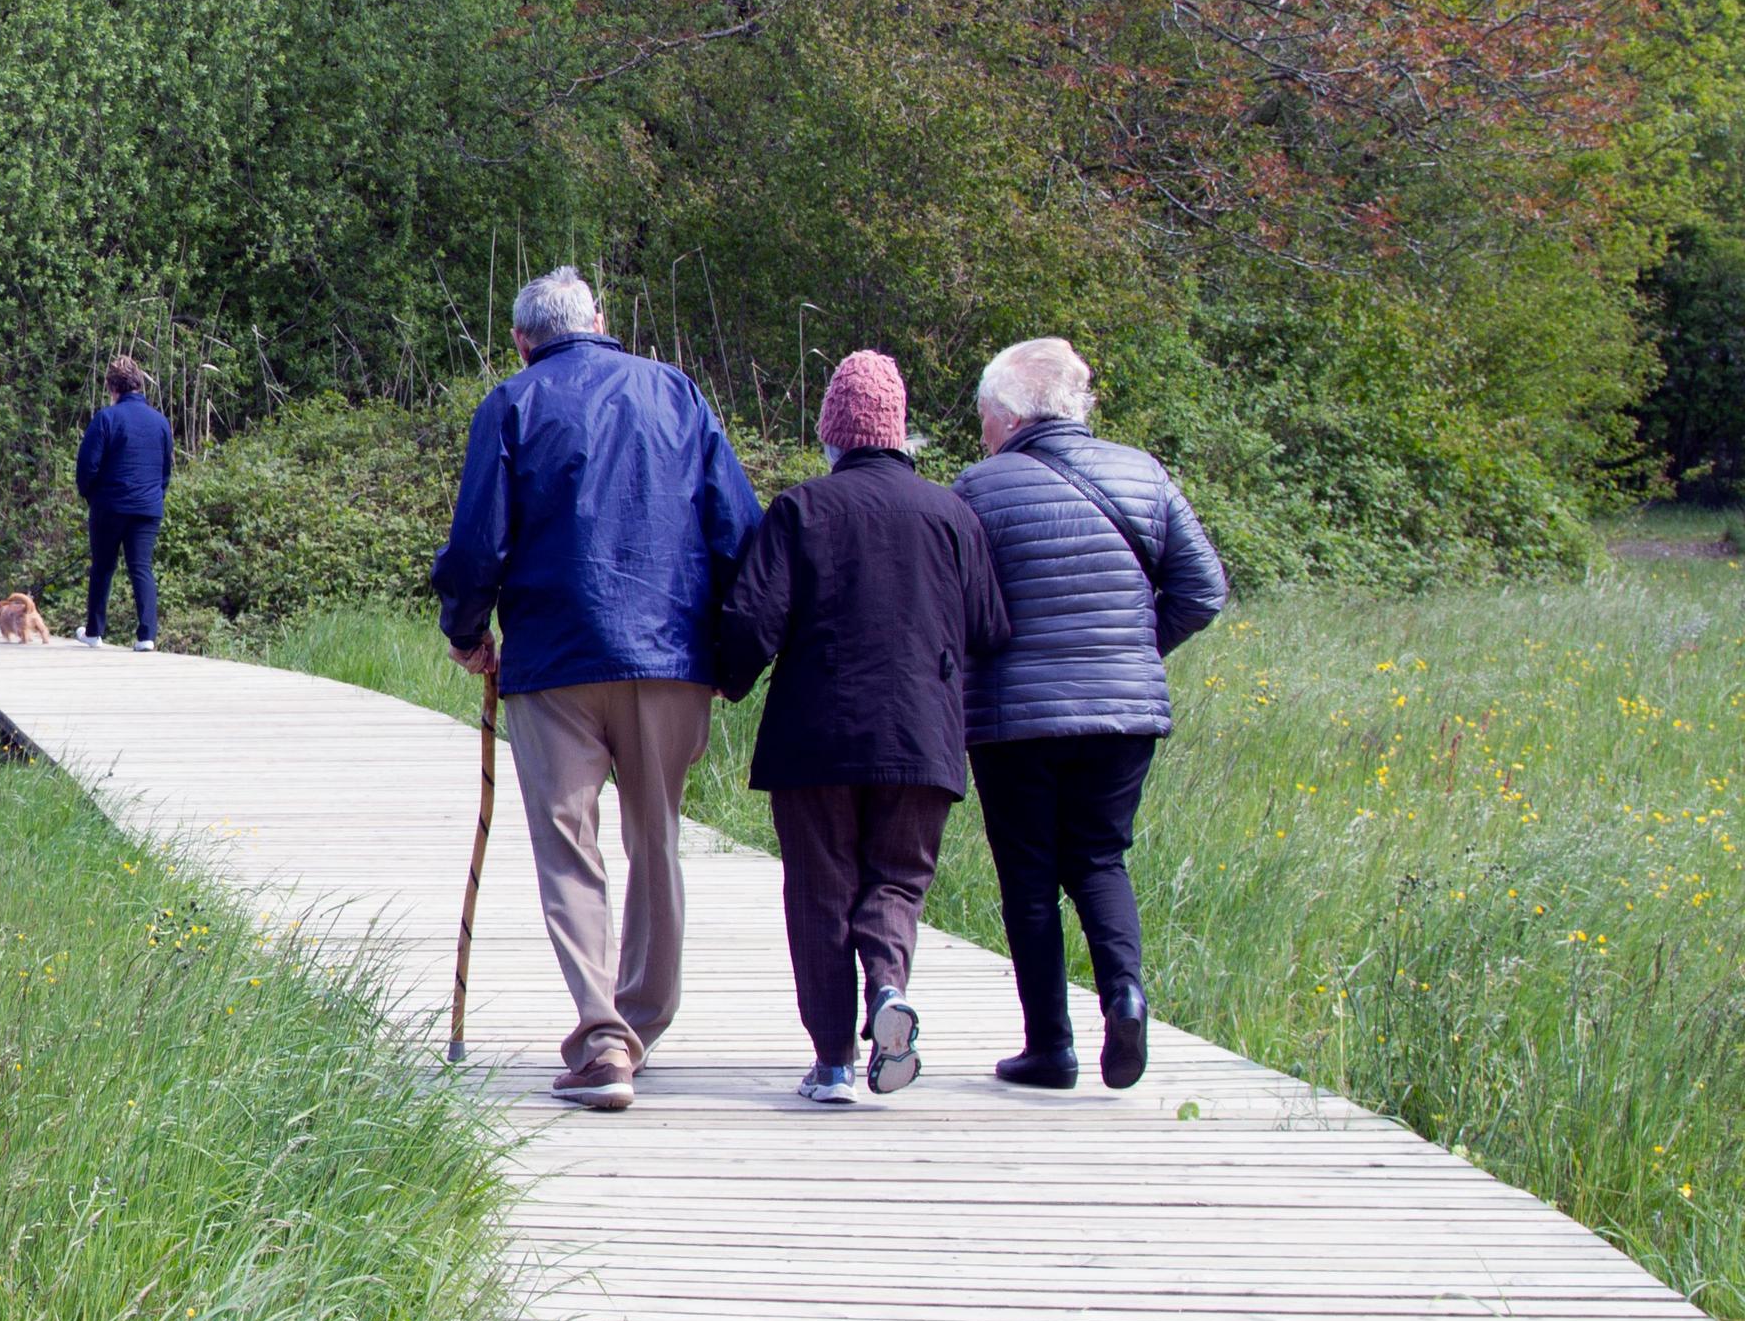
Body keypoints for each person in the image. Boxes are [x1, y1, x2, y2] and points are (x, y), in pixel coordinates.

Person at [431, 266, 764, 1112]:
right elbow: (739, 530)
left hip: (555, 662)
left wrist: (468, 632)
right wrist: (730, 656)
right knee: (656, 839)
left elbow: (478, 543)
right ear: (603, 321)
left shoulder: (511, 403)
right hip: (668, 657)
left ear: (521, 339)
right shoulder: (677, 393)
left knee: (568, 848)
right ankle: (640, 1022)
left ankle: (603, 1036)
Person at [708, 352, 1011, 1105]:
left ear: (832, 434)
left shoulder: (803, 509)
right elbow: (988, 628)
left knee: (820, 890)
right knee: (897, 882)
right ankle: (887, 990)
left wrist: (728, 680)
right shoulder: (953, 516)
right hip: (921, 736)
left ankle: (835, 1062)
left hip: (817, 737)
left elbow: (752, 619)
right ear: (901, 433)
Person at [955, 336, 1229, 1091]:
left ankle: (1050, 1046)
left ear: (1009, 416)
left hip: (1017, 717)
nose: (980, 427)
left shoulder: (979, 489)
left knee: (1030, 876)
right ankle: (1125, 995)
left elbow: (957, 609)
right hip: (1124, 713)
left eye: (983, 413)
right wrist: (1132, 652)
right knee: (1100, 859)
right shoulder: (1144, 474)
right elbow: (1203, 591)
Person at [73, 355, 172, 649]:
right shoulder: (160, 421)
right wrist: (155, 496)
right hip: (148, 507)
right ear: (139, 384)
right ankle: (147, 636)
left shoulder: (107, 418)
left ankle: (94, 631)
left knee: (103, 567)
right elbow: (166, 469)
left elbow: (86, 467)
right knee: (141, 567)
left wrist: (92, 496)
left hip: (110, 506)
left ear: (112, 387)